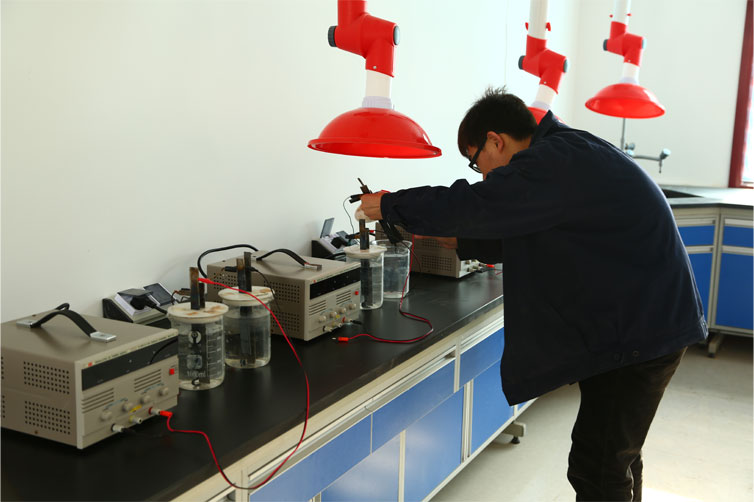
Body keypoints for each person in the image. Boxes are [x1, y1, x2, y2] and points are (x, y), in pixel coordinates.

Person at [358, 87, 707, 501]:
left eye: (476, 162)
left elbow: (476, 204)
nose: (482, 175)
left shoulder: (552, 161)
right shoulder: (566, 151)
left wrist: (390, 204)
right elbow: (534, 228)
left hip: (638, 332)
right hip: (643, 322)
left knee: (598, 467)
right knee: (616, 456)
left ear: (495, 141)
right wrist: (461, 240)